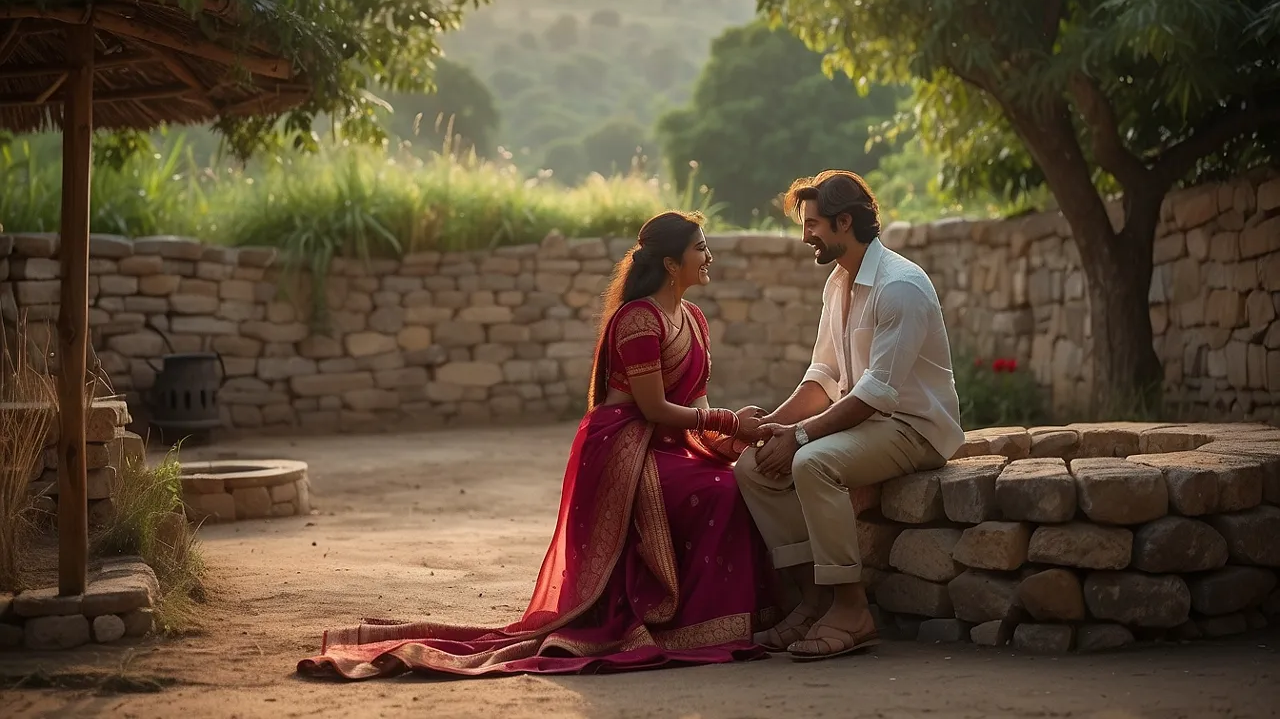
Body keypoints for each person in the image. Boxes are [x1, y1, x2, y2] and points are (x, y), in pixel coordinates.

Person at [299, 211, 777, 679]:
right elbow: (652, 408)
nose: (709, 256)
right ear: (673, 265)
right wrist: (730, 421)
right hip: (625, 448)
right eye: (701, 249)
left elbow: (697, 403)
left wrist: (733, 437)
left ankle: (716, 618)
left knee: (730, 479)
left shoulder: (693, 318)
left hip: (668, 445)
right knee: (719, 493)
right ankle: (694, 626)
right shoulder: (638, 320)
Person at [735, 170, 964, 662]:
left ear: (844, 222)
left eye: (813, 224)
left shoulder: (900, 286)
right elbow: (823, 375)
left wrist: (797, 437)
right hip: (870, 422)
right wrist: (771, 427)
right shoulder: (838, 282)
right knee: (753, 466)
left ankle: (851, 607)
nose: (805, 236)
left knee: (811, 462)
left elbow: (877, 394)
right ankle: (812, 598)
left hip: (914, 428)